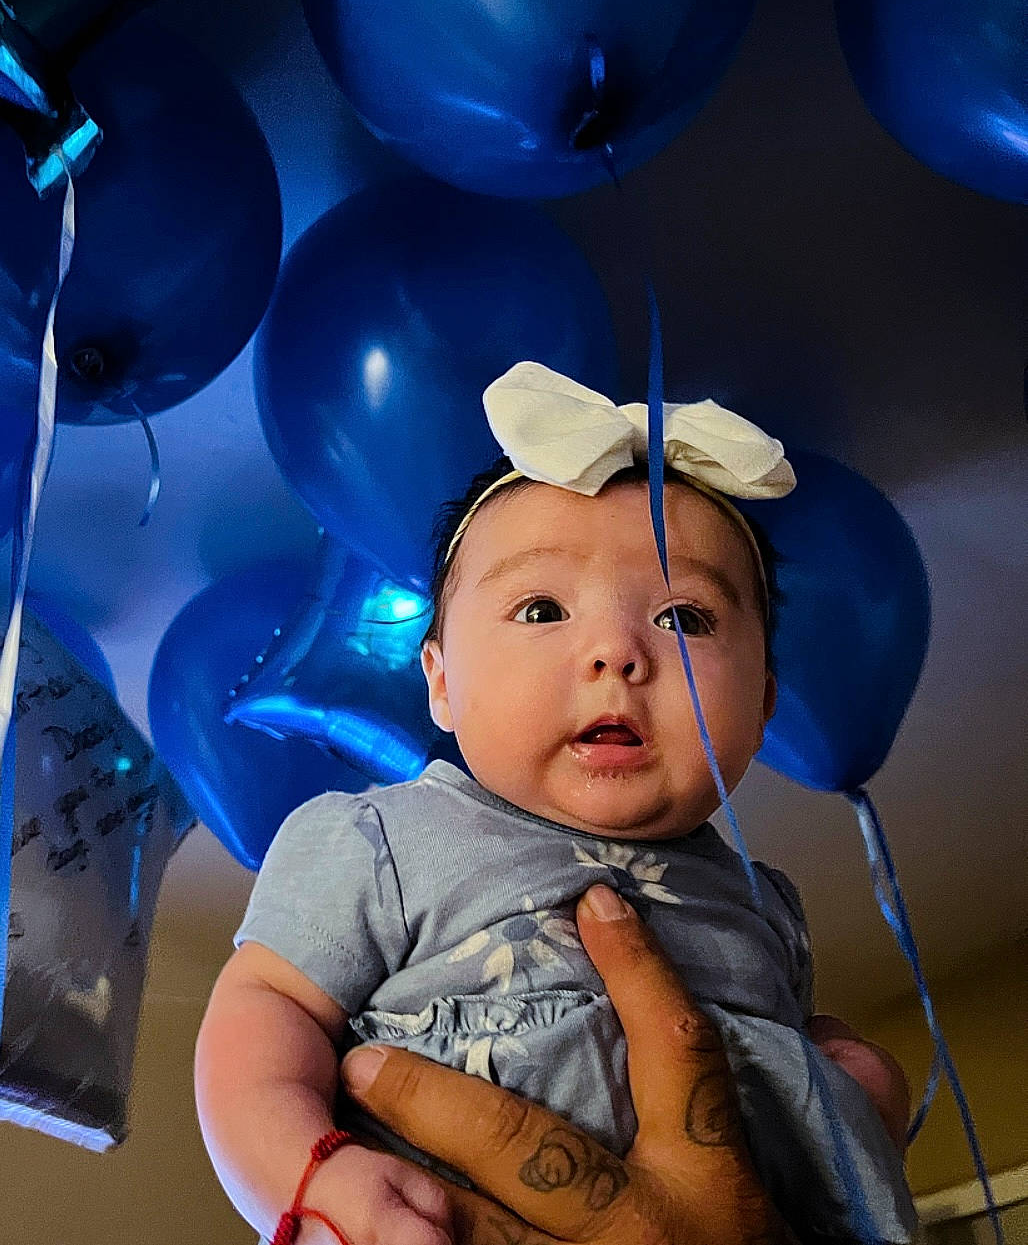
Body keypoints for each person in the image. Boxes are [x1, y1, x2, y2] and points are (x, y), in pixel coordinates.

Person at [196, 363, 916, 1245]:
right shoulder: (381, 840)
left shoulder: (767, 903)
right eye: (541, 607)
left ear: (764, 699)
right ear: (441, 682)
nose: (616, 650)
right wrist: (310, 1175)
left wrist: (843, 1099)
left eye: (684, 617)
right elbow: (260, 1014)